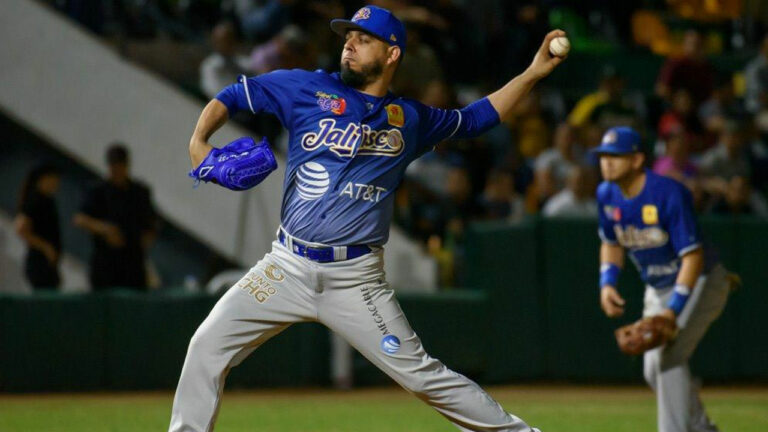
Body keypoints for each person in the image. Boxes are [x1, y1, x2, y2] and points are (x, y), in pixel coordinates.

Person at [171, 6, 565, 432]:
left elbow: (474, 119)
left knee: (421, 376)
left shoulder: (411, 119)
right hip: (285, 266)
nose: (350, 43)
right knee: (205, 346)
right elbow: (232, 96)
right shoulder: (306, 87)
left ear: (392, 53)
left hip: (355, 280)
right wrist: (199, 141)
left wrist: (532, 73)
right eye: (348, 36)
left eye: (363, 38)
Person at [593, 126, 734, 432]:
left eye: (616, 156)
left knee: (669, 358)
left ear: (636, 160)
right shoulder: (606, 194)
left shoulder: (667, 193)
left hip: (701, 280)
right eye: (604, 156)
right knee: (652, 369)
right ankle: (701, 427)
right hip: (657, 287)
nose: (607, 162)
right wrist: (607, 284)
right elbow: (611, 242)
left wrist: (673, 310)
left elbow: (693, 257)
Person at [74, 144, 158, 291]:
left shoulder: (139, 192)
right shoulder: (99, 191)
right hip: (105, 264)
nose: (117, 170)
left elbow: (152, 222)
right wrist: (104, 229)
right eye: (114, 166)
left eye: (120, 165)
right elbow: (80, 218)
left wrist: (145, 239)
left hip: (133, 263)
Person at [14, 164, 62, 290]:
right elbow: (20, 228)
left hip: (48, 263)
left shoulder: (48, 200)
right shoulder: (35, 200)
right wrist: (45, 247)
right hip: (38, 262)